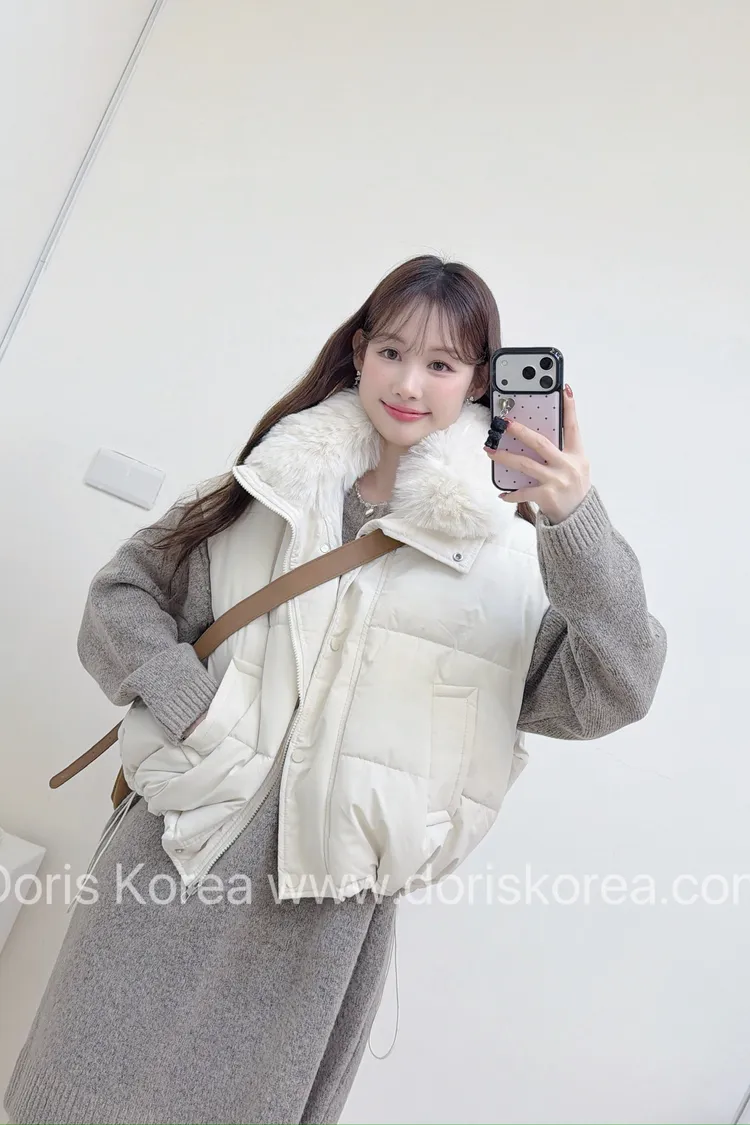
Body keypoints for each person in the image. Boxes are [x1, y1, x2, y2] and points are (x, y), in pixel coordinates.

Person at [4, 254, 667, 1125]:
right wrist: (194, 709)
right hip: (174, 856)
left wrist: (574, 520)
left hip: (320, 918)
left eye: (441, 364)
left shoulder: (509, 562)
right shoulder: (267, 489)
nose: (409, 383)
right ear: (359, 353)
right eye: (392, 352)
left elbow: (619, 684)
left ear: (479, 381)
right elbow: (120, 597)